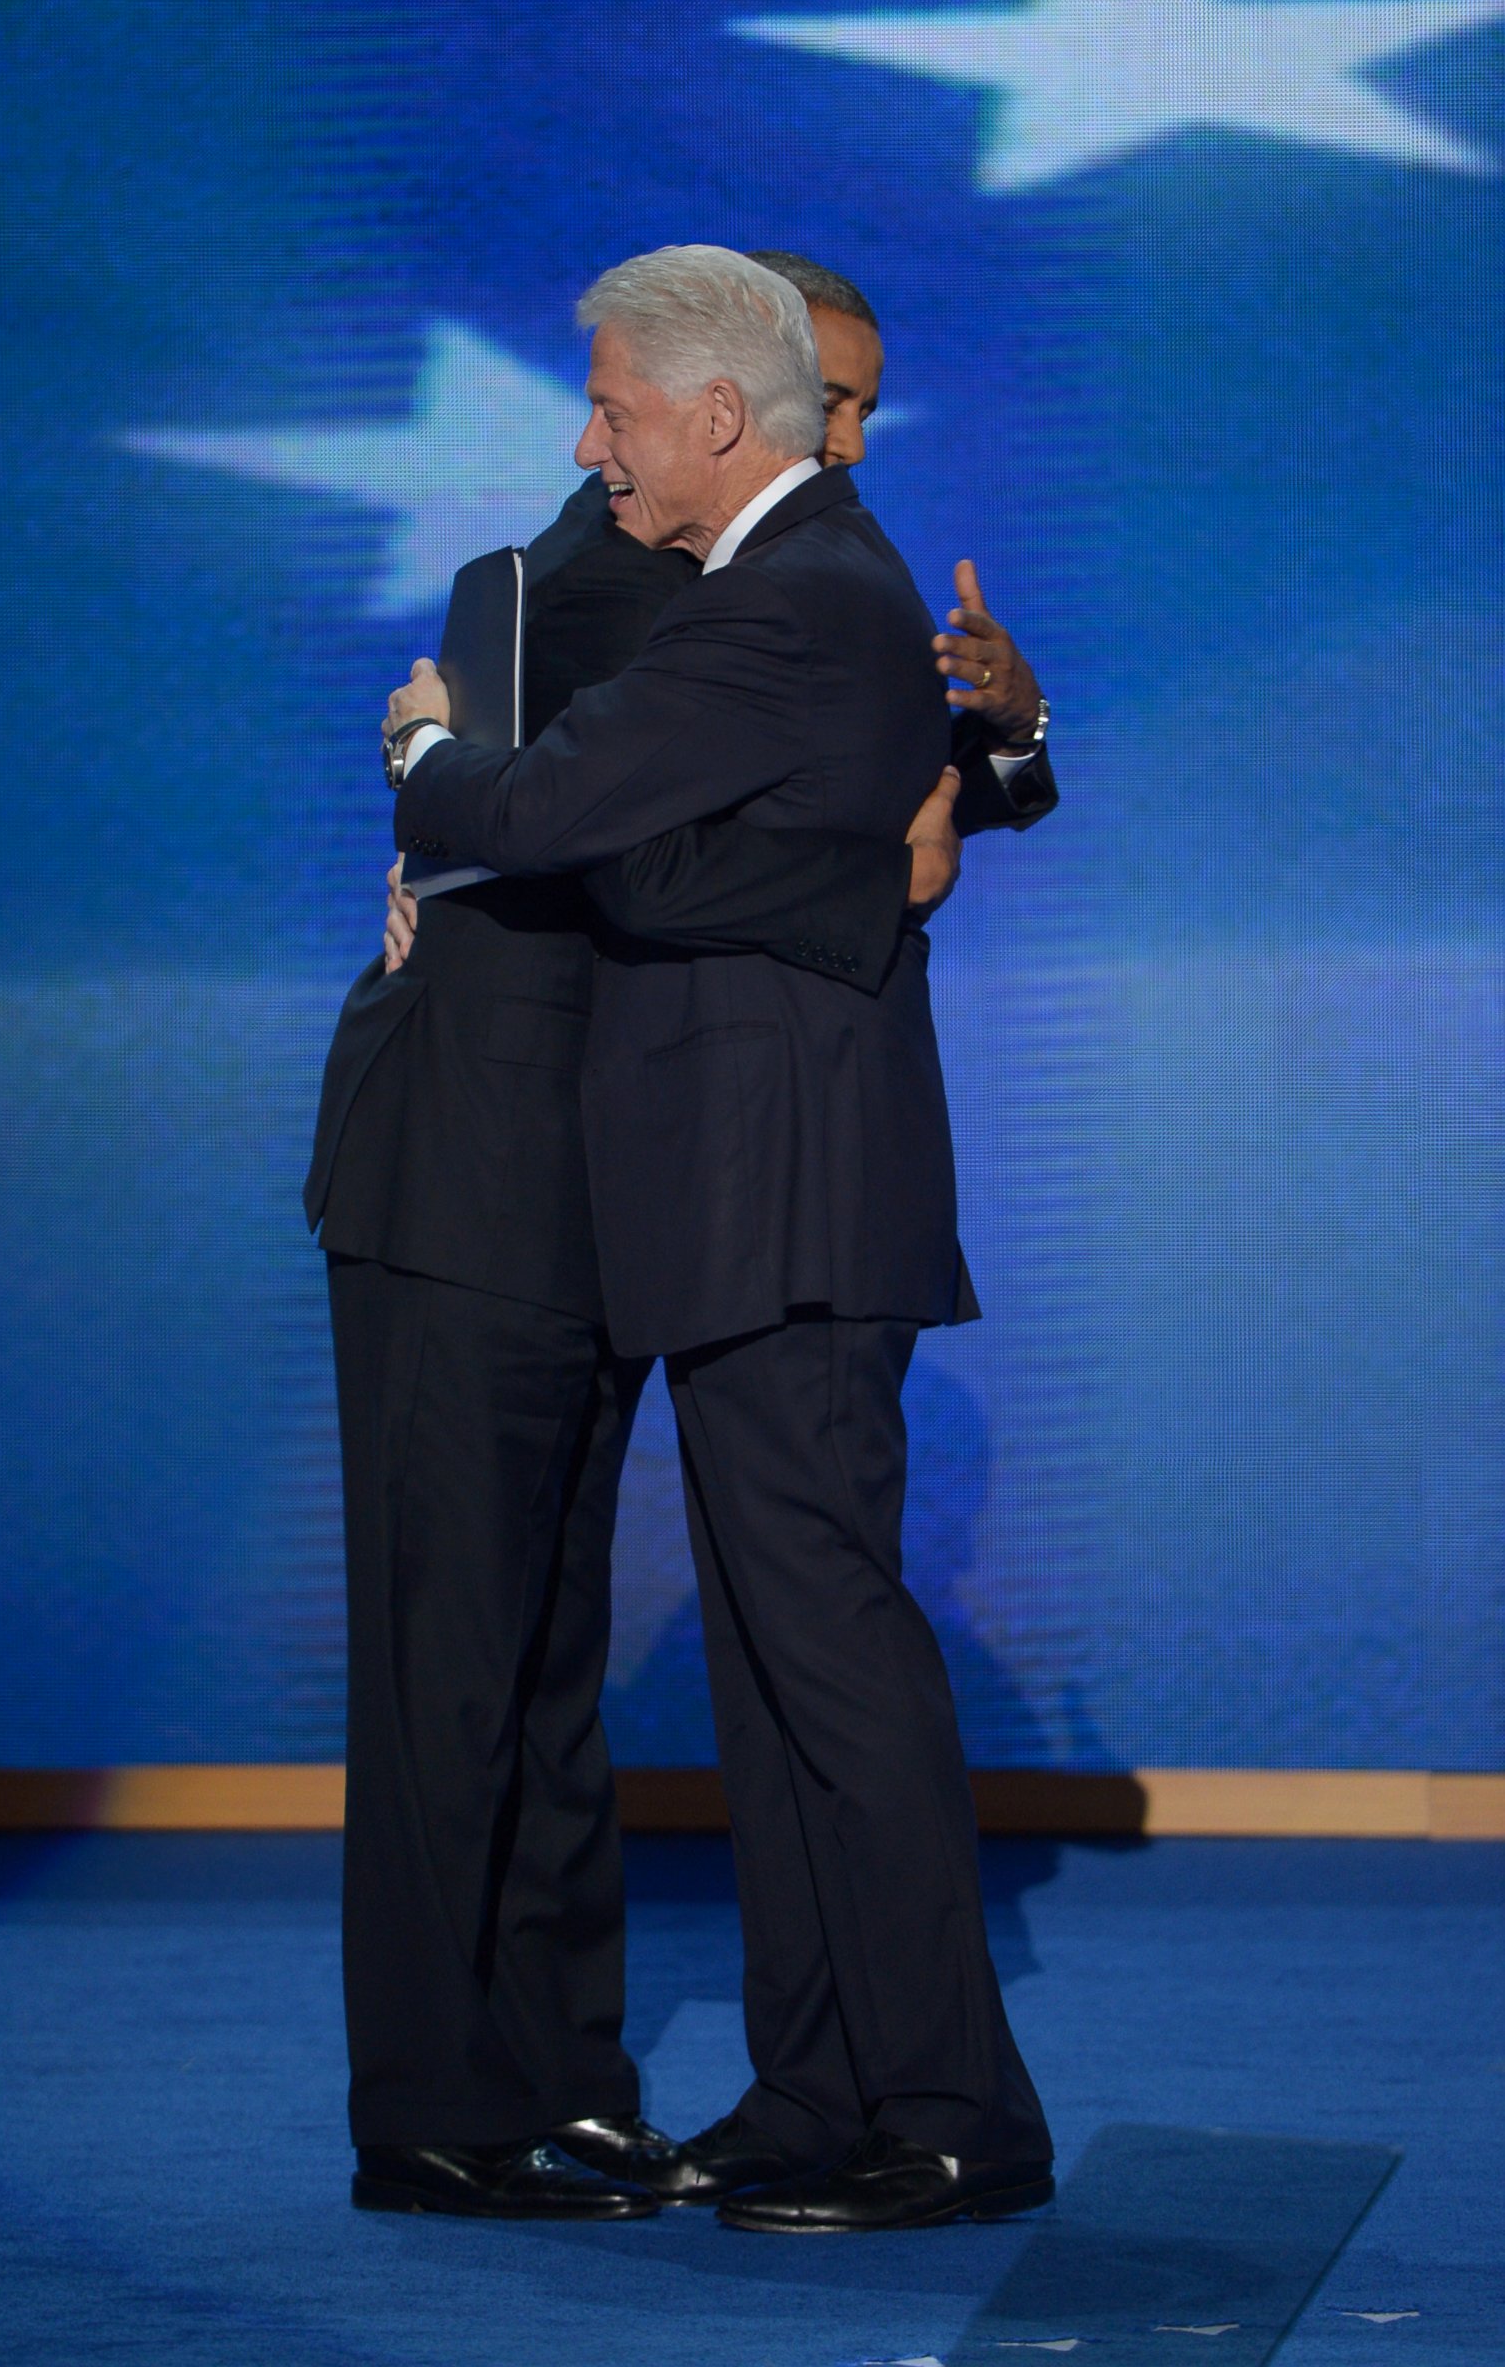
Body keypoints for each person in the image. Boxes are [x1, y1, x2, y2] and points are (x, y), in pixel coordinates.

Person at [386, 245, 1055, 2233]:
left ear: (708, 414)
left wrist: (435, 764)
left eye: (606, 413)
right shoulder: (778, 593)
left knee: (830, 1661)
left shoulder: (792, 595)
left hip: (792, 1192)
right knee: (778, 1671)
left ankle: (951, 2113)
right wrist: (834, 873)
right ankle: (821, 2093)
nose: (588, 451)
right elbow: (673, 848)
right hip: (744, 1190)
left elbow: (567, 805)